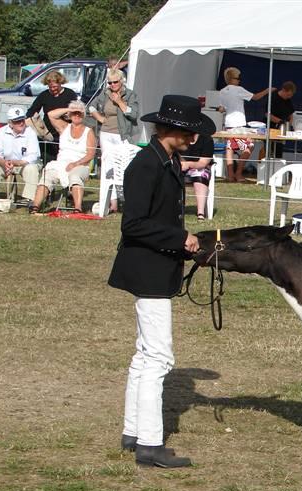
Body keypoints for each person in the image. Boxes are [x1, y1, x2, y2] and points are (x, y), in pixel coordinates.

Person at [108, 95, 215, 468]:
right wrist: (178, 239)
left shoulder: (167, 161)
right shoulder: (146, 165)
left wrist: (184, 244)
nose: (192, 137)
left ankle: (133, 431)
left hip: (156, 266)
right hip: (148, 269)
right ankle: (150, 445)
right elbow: (133, 223)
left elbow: (160, 218)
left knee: (144, 355)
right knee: (158, 357)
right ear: (169, 129)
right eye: (188, 131)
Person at [88, 68, 139, 213]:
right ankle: (112, 203)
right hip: (106, 133)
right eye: (110, 82)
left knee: (124, 167)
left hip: (123, 135)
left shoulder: (130, 94)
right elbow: (91, 106)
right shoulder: (105, 94)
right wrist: (100, 118)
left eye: (115, 82)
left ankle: (128, 201)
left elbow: (133, 114)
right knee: (108, 166)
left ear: (121, 81)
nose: (112, 85)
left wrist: (120, 102)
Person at [29, 101, 96, 214]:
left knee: (75, 176)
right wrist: (69, 110)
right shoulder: (64, 128)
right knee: (48, 177)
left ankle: (78, 208)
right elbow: (51, 114)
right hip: (61, 163)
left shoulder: (88, 132)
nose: (76, 115)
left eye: (79, 113)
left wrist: (75, 164)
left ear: (83, 115)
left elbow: (90, 154)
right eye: (74, 113)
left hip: (80, 164)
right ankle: (35, 206)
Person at [218, 66, 275, 182]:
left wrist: (223, 109)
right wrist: (267, 91)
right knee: (249, 146)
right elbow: (255, 97)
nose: (239, 80)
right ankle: (238, 173)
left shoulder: (222, 91)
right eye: (238, 78)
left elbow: (222, 108)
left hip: (228, 123)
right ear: (232, 78)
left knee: (230, 149)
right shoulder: (238, 90)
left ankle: (230, 175)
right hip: (238, 124)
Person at [0, 107, 40, 207]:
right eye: (17, 121)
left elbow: (33, 156)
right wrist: (4, 163)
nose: (21, 123)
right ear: (10, 123)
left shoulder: (31, 133)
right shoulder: (1, 132)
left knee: (32, 169)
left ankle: (30, 201)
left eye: (22, 120)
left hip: (23, 164)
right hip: (5, 163)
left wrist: (16, 163)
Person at [26, 70, 77, 163]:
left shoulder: (70, 94)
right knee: (48, 161)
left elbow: (76, 112)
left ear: (61, 83)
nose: (53, 89)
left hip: (65, 132)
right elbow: (32, 110)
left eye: (55, 87)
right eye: (50, 87)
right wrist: (32, 118)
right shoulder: (44, 95)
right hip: (48, 134)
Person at [180, 133, 214, 219]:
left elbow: (203, 163)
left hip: (200, 167)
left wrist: (188, 164)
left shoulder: (207, 139)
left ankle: (200, 213)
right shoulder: (180, 137)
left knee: (200, 176)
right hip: (181, 165)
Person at [268, 81, 296, 159]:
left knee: (279, 150)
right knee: (270, 150)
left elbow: (291, 114)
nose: (289, 97)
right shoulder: (273, 97)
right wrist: (281, 122)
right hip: (271, 128)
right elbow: (268, 115)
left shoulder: (288, 100)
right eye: (288, 95)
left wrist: (289, 125)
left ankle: (278, 167)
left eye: (291, 95)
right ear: (283, 90)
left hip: (282, 129)